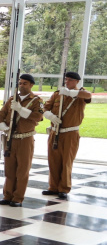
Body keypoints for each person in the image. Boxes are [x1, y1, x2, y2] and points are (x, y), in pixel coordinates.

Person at [42, 71, 92, 200]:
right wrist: (49, 115)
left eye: (70, 80)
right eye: (66, 79)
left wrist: (70, 93)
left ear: (77, 82)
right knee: (53, 160)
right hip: (55, 131)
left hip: (70, 133)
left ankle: (64, 188)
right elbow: (45, 108)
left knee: (66, 162)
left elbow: (88, 95)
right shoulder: (58, 94)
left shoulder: (80, 94)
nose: (67, 82)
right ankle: (53, 187)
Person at [0, 73, 44, 207]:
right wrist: (2, 124)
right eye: (20, 83)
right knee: (9, 169)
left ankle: (17, 198)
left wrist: (21, 110)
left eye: (25, 83)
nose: (21, 86)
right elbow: (1, 114)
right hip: (10, 138)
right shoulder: (12, 99)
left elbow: (38, 116)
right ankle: (7, 195)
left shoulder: (36, 100)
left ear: (31, 85)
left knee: (22, 170)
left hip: (25, 139)